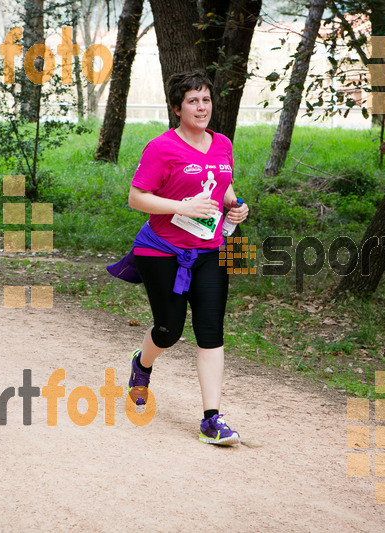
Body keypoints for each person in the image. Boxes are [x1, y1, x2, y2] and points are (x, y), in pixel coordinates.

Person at [107, 70, 249, 446]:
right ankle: (142, 363)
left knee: (210, 332)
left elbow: (223, 185)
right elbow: (137, 198)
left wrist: (235, 205)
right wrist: (181, 205)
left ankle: (211, 419)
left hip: (210, 250)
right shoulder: (161, 148)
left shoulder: (222, 144)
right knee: (168, 331)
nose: (201, 108)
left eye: (205, 100)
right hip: (161, 251)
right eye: (193, 101)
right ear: (177, 108)